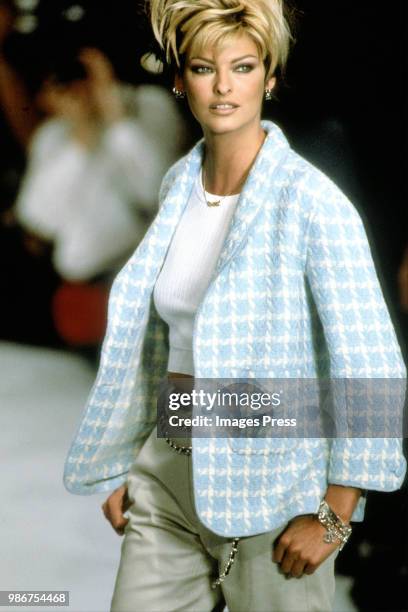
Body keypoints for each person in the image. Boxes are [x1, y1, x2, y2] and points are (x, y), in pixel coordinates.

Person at [63, 1, 407, 611]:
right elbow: (155, 343)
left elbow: (372, 361)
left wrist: (336, 514)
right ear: (179, 78)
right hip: (169, 471)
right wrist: (129, 459)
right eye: (203, 68)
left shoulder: (311, 202)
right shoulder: (177, 186)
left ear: (269, 78)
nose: (224, 87)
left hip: (271, 485)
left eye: (243, 67)